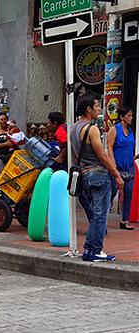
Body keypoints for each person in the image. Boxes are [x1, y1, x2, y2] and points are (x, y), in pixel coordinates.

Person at [70, 95, 124, 262]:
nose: (99, 109)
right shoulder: (91, 129)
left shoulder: (73, 129)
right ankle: (95, 250)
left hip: (85, 175)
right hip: (98, 174)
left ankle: (89, 249)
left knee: (96, 214)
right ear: (88, 109)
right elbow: (102, 155)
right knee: (100, 215)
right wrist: (116, 174)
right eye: (97, 106)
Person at [106, 106, 136, 230]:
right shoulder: (115, 129)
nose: (131, 118)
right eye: (128, 116)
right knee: (111, 191)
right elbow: (109, 147)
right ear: (122, 117)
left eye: (131, 116)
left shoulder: (130, 131)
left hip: (128, 165)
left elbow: (129, 149)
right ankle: (101, 220)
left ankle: (125, 219)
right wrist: (112, 163)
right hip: (116, 166)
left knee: (129, 191)